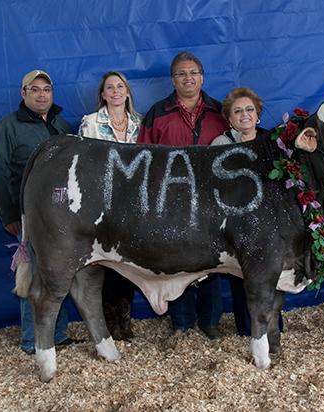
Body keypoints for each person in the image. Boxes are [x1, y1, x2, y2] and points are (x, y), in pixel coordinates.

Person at [0, 69, 78, 354]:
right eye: (35, 89)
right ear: (23, 93)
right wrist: (10, 215)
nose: (41, 95)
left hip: (62, 217)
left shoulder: (61, 126)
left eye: (46, 89)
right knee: (35, 275)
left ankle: (57, 334)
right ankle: (32, 340)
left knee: (58, 274)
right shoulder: (9, 127)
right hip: (29, 216)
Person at [138, 51, 227, 339]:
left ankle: (211, 321)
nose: (188, 78)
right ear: (173, 80)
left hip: (213, 200)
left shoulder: (221, 112)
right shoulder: (157, 113)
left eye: (193, 73)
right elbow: (144, 156)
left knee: (213, 260)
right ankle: (182, 322)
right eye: (181, 73)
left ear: (202, 77)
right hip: (171, 201)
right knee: (177, 261)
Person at [210, 87, 284, 336]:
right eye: (238, 111)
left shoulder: (273, 144)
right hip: (234, 223)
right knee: (239, 275)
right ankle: (246, 328)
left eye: (250, 110)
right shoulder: (220, 144)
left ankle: (272, 328)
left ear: (258, 115)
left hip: (268, 224)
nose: (245, 115)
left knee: (270, 275)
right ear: (229, 119)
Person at [78, 71, 141, 341]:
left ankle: (124, 320)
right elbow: (83, 167)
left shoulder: (140, 124)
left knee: (130, 262)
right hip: (102, 206)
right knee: (105, 262)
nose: (115, 91)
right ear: (103, 94)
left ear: (127, 92)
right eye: (109, 87)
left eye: (120, 86)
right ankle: (108, 319)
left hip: (135, 207)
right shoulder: (90, 123)